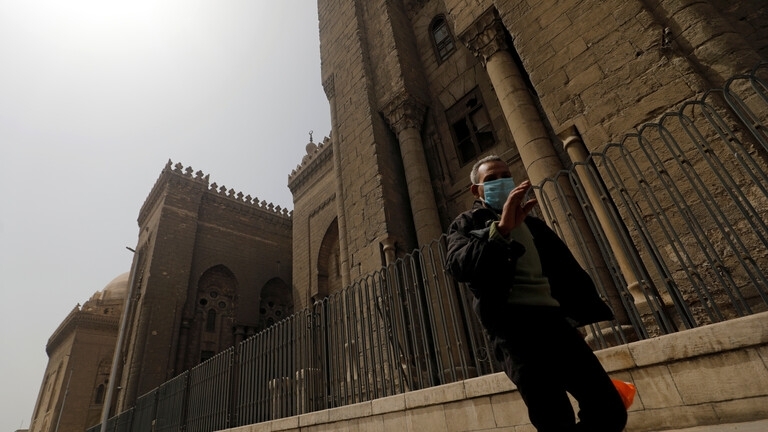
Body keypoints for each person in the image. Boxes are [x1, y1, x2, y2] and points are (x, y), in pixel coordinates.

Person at [445, 155, 627, 432]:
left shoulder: (534, 225)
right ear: (476, 190)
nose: (500, 182)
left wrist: (571, 319)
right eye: (491, 179)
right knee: (554, 417)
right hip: (514, 331)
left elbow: (561, 272)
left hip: (555, 324)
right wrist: (501, 230)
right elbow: (458, 266)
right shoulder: (467, 224)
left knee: (608, 408)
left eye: (505, 176)